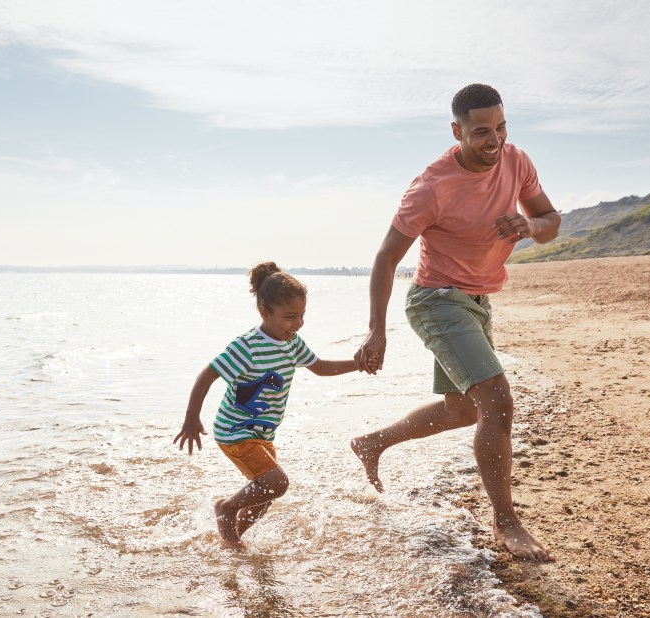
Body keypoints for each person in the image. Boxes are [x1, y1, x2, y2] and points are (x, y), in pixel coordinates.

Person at [350, 84, 561, 562]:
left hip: (478, 301)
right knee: (498, 401)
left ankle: (371, 442)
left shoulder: (517, 161)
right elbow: (385, 259)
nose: (495, 140)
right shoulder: (432, 188)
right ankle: (506, 522)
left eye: (502, 127)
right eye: (482, 132)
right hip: (436, 301)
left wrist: (530, 227)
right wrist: (375, 331)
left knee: (465, 411)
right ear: (457, 131)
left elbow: (550, 220)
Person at [174, 261, 359, 548]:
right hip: (235, 431)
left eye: (301, 316)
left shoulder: (292, 342)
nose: (297, 324)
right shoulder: (246, 346)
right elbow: (207, 375)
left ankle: (231, 541)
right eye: (289, 317)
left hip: (261, 434)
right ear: (265, 312)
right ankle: (225, 509)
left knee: (265, 495)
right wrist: (191, 418)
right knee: (277, 483)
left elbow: (321, 367)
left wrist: (358, 363)